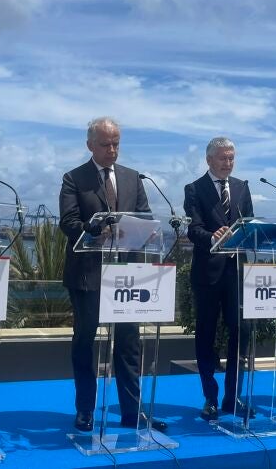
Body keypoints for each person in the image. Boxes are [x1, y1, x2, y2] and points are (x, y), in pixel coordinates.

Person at [59, 117, 167, 433]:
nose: (112, 150)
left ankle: (132, 412)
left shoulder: (133, 178)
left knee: (129, 344)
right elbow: (68, 222)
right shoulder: (73, 178)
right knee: (85, 342)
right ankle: (85, 410)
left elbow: (145, 217)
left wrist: (145, 230)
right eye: (106, 144)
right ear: (90, 145)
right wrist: (95, 230)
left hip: (126, 276)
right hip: (88, 274)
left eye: (116, 143)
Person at [183, 137, 254, 421]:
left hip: (236, 272)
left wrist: (247, 234)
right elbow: (193, 229)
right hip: (208, 273)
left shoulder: (242, 187)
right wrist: (212, 237)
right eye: (223, 158)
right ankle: (210, 397)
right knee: (206, 335)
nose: (228, 163)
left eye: (231, 158)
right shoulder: (194, 189)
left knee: (240, 332)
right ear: (209, 159)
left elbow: (249, 223)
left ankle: (233, 396)